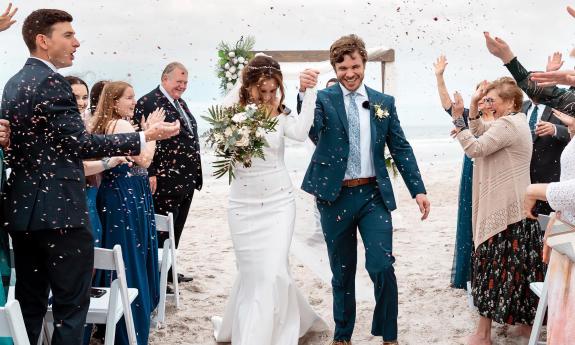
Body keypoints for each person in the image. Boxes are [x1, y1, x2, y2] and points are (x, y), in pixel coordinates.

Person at [0, 9, 179, 345]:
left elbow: (14, 151)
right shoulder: (51, 82)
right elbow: (80, 144)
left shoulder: (14, 83)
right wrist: (145, 136)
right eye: (67, 35)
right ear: (42, 41)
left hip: (24, 213)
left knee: (30, 306)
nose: (76, 42)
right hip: (61, 214)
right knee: (71, 308)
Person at [299, 34, 430, 345]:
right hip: (335, 197)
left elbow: (400, 147)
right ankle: (343, 336)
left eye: (354, 65)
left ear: (364, 64)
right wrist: (304, 94)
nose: (349, 73)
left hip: (373, 196)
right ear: (335, 68)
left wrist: (418, 190)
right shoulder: (322, 100)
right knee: (342, 272)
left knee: (382, 265)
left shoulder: (384, 103)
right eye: (342, 67)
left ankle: (389, 335)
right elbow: (312, 131)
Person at [211, 54, 327, 345]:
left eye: (273, 90)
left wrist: (309, 92)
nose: (267, 96)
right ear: (247, 86)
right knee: (253, 273)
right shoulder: (230, 116)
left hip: (279, 203)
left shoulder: (282, 114)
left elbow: (301, 134)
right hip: (242, 206)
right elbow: (221, 154)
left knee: (273, 271)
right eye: (261, 90)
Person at [451, 78, 546, 345]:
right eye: (486, 99)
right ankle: (526, 329)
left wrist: (458, 121)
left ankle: (483, 335)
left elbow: (475, 147)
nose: (487, 103)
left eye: (492, 99)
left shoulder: (509, 124)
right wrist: (470, 108)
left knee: (491, 270)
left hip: (505, 214)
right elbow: (481, 129)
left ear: (511, 102)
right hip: (518, 210)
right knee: (521, 270)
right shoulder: (515, 122)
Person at [92, 81, 162, 345]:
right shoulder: (120, 125)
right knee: (130, 256)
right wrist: (149, 134)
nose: (134, 102)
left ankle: (109, 322)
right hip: (127, 195)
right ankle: (129, 326)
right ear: (113, 102)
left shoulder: (103, 124)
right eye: (129, 98)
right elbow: (144, 160)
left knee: (119, 250)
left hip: (116, 195)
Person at [134, 62, 202, 284]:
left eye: (185, 82)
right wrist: (151, 172)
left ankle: (169, 269)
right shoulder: (150, 101)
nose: (182, 86)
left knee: (176, 228)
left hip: (185, 179)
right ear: (165, 79)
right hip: (164, 179)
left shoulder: (179, 102)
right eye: (178, 82)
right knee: (162, 229)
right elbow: (142, 137)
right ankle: (158, 275)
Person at [433, 55, 495, 289]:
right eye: (481, 92)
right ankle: (468, 274)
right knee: (468, 219)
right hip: (472, 170)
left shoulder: (502, 119)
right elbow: (448, 104)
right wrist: (439, 77)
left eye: (490, 94)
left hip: (493, 172)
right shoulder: (468, 115)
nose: (485, 98)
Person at [297, 77, 339, 245]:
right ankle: (319, 231)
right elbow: (309, 125)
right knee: (319, 199)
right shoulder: (319, 110)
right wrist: (303, 94)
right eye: (328, 89)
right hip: (322, 163)